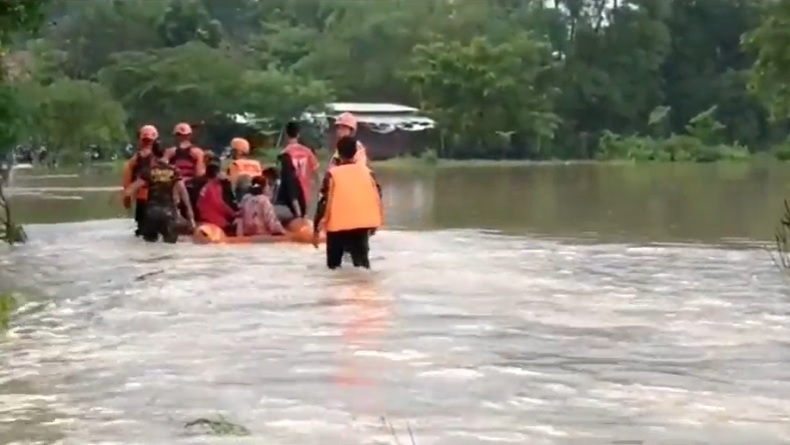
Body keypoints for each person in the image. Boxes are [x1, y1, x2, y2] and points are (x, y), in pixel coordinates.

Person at [313, 136, 383, 269]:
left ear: (338, 153)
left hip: (337, 225)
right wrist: (375, 224)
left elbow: (323, 201)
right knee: (362, 265)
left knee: (334, 267)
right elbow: (377, 198)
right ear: (356, 152)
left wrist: (316, 228)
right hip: (361, 224)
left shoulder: (332, 174)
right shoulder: (367, 173)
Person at [124, 139, 195, 243]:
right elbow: (184, 194)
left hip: (151, 214)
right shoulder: (174, 171)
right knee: (170, 248)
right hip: (169, 213)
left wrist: (127, 203)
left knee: (149, 248)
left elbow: (128, 191)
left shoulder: (148, 171)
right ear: (166, 153)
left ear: (153, 153)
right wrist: (191, 218)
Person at [122, 125, 158, 237]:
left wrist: (127, 202)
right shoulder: (163, 159)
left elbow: (127, 186)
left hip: (142, 199)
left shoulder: (133, 160)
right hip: (159, 199)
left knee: (142, 232)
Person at [164, 122, 206, 218]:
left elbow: (163, 169)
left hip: (180, 183)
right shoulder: (197, 152)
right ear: (190, 136)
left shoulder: (170, 152)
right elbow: (200, 173)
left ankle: (178, 212)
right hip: (183, 183)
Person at [281, 121, 319, 208]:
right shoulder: (307, 151)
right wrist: (317, 189)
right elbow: (315, 171)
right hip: (304, 192)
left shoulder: (284, 153)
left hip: (289, 195)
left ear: (286, 135)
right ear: (298, 134)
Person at [196, 160, 237, 235]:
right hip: (214, 219)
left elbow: (199, 203)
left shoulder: (206, 186)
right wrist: (233, 213)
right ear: (216, 173)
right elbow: (220, 204)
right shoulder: (215, 186)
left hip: (204, 217)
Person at [273, 151, 305, 226]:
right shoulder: (284, 178)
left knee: (269, 212)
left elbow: (294, 198)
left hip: (288, 209)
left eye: (278, 164)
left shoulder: (289, 178)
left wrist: (299, 215)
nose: (276, 166)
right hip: (284, 207)